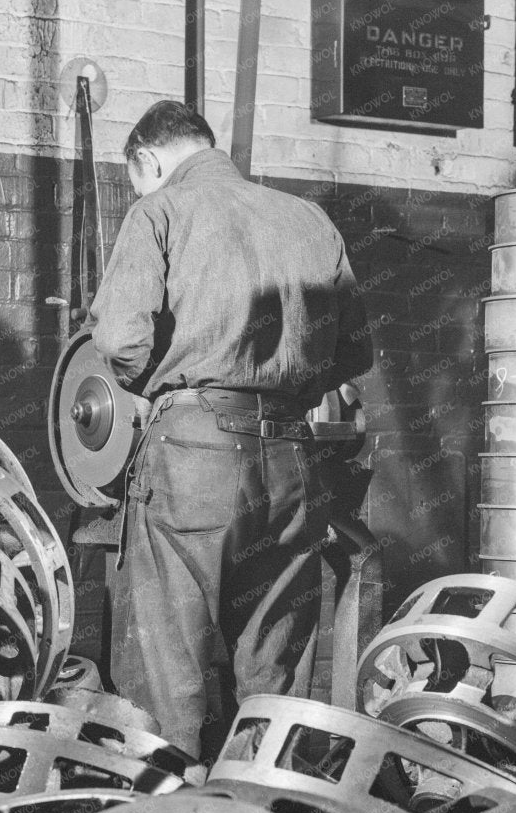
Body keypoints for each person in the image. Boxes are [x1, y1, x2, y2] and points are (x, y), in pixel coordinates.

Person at [88, 100, 372, 759]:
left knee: (169, 666)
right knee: (277, 673)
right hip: (292, 460)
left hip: (193, 456)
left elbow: (118, 341)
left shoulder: (156, 211)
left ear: (147, 159)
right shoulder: (309, 220)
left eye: (138, 176)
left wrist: (172, 377)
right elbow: (353, 352)